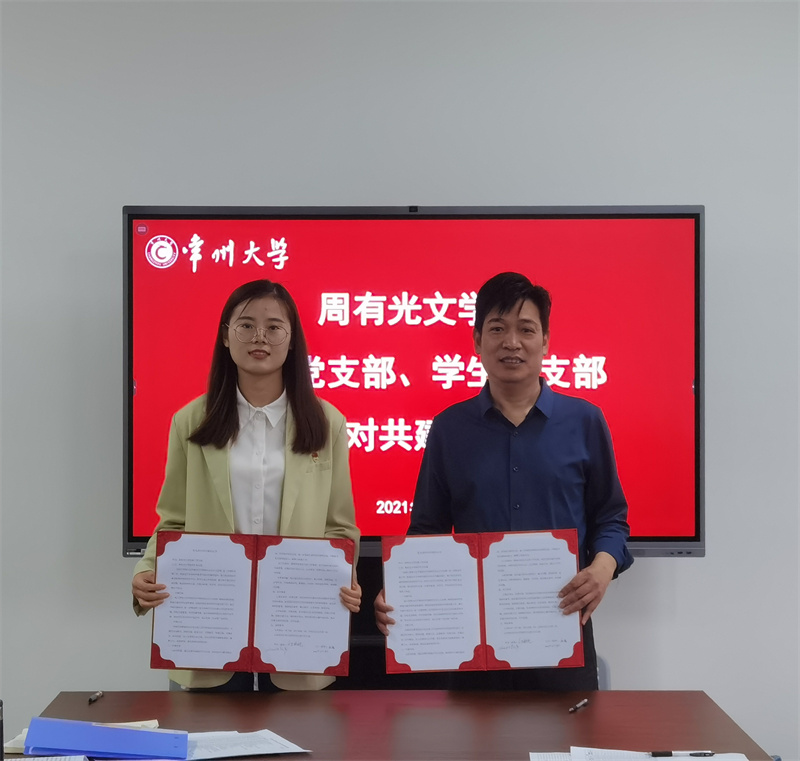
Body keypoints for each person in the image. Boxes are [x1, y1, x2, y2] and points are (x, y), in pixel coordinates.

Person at [375, 271, 632, 691]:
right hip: (474, 645)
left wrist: (603, 568)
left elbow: (612, 519)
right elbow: (427, 531)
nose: (512, 342)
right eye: (497, 329)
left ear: (545, 341)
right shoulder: (449, 429)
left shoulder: (585, 421)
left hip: (562, 631)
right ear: (477, 341)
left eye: (526, 329)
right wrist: (403, 590)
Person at [132, 279, 361, 692]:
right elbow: (173, 522)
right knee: (205, 733)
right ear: (225, 336)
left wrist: (344, 576)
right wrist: (147, 570)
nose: (260, 337)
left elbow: (340, 527)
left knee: (299, 733)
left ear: (292, 340)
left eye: (274, 327)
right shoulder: (191, 421)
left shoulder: (327, 423)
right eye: (246, 325)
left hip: (296, 630)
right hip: (208, 623)